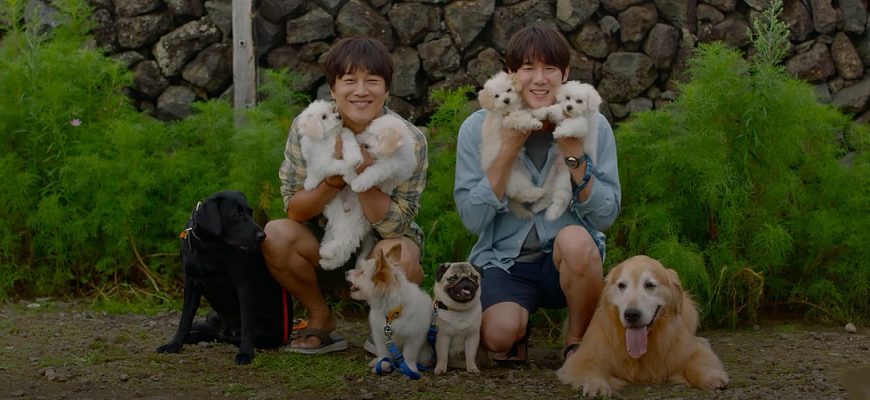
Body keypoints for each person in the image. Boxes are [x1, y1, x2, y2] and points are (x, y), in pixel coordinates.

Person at [453, 25, 621, 363]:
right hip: (504, 261)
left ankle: (578, 341)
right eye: (528, 68)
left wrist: (574, 156)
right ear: (511, 74)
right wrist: (507, 150)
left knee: (576, 240)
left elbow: (606, 215)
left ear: (565, 74)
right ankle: (517, 331)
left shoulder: (593, 124)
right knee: (498, 337)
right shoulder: (477, 127)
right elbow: (472, 220)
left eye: (550, 69)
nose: (540, 79)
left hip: (568, 264)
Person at [262, 37, 428, 354]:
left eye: (372, 81)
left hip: (380, 239)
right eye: (349, 81)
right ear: (333, 88)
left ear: (387, 89)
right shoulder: (311, 125)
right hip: (323, 236)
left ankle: (387, 327)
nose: (361, 91)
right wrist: (336, 179)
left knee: (401, 257)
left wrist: (363, 173)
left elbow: (396, 226)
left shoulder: (407, 138)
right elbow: (295, 209)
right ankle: (320, 317)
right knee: (275, 235)